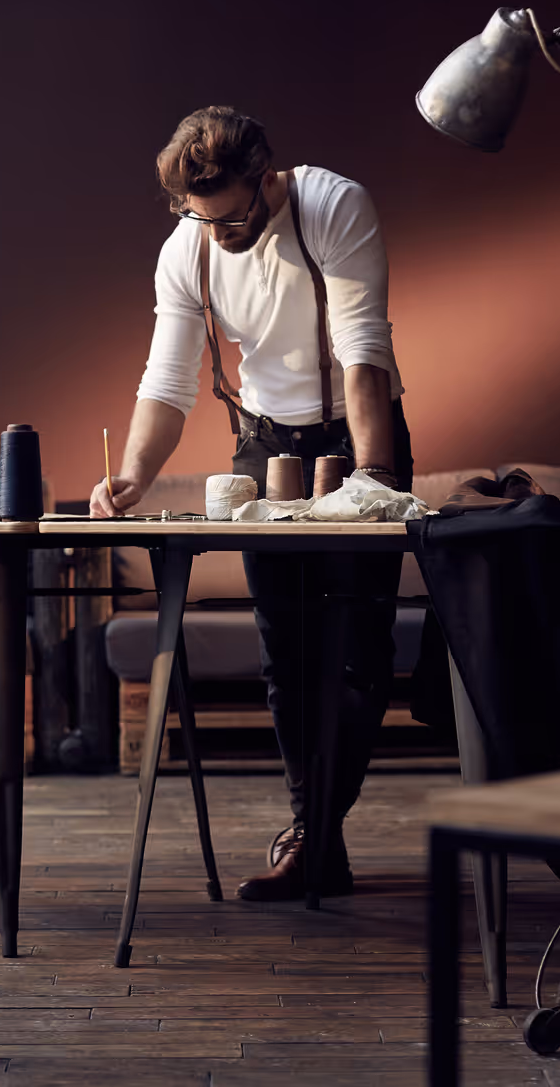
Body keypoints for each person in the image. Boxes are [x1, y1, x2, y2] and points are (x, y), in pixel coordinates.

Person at [90, 106, 412, 901]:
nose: (216, 232)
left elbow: (361, 345)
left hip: (354, 436)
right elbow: (167, 380)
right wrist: (131, 474)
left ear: (266, 180)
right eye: (198, 217)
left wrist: (372, 477)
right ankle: (314, 834)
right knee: (287, 651)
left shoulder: (333, 205)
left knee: (360, 654)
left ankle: (314, 832)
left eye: (230, 215)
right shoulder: (186, 248)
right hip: (266, 449)